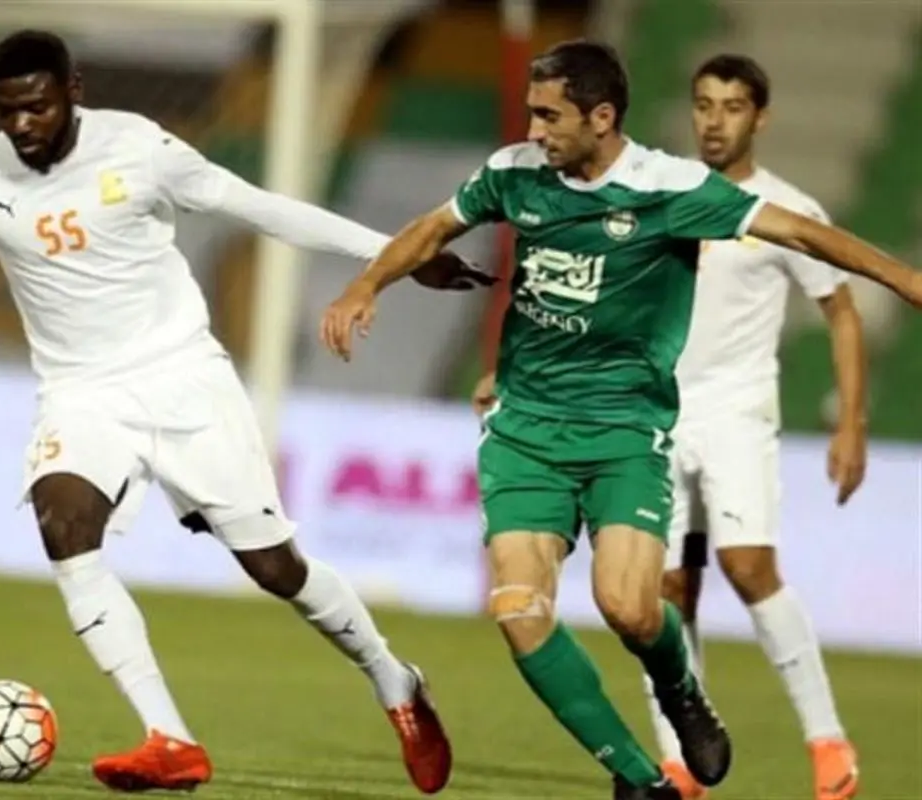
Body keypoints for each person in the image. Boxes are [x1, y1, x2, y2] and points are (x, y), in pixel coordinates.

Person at [0, 29, 484, 795]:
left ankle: (392, 677)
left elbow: (260, 207)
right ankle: (169, 739)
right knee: (64, 526)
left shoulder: (139, 148)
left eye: (37, 107)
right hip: (81, 393)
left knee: (274, 567)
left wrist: (398, 256)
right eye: (6, 111)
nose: (22, 125)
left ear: (74, 90)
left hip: (184, 379)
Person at [320, 39, 921, 800]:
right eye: (533, 113)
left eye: (550, 116)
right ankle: (640, 779)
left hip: (625, 432)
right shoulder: (515, 172)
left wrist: (903, 277)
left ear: (601, 118)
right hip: (525, 431)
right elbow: (434, 226)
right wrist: (367, 285)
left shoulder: (671, 188)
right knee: (518, 610)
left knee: (630, 606)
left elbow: (802, 232)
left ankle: (683, 689)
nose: (535, 130)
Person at [640, 54, 865, 800]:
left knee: (747, 567)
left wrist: (851, 423)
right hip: (660, 414)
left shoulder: (785, 207)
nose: (714, 121)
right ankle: (680, 760)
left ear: (759, 117)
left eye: (732, 106)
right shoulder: (663, 191)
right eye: (703, 104)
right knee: (666, 589)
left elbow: (840, 310)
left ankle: (827, 740)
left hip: (738, 411)